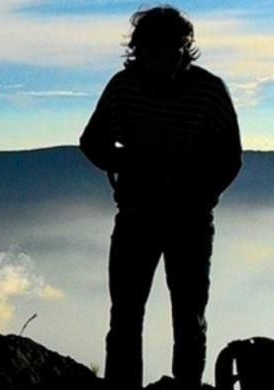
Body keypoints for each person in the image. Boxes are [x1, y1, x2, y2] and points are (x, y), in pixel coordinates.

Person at [79, 5, 242, 390]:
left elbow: (229, 158)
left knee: (188, 316)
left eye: (171, 50)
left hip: (187, 219)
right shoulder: (124, 87)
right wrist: (130, 166)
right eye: (155, 50)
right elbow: (92, 142)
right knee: (127, 315)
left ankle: (185, 388)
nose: (164, 59)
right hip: (140, 215)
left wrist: (201, 196)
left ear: (184, 48)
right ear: (140, 50)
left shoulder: (209, 90)